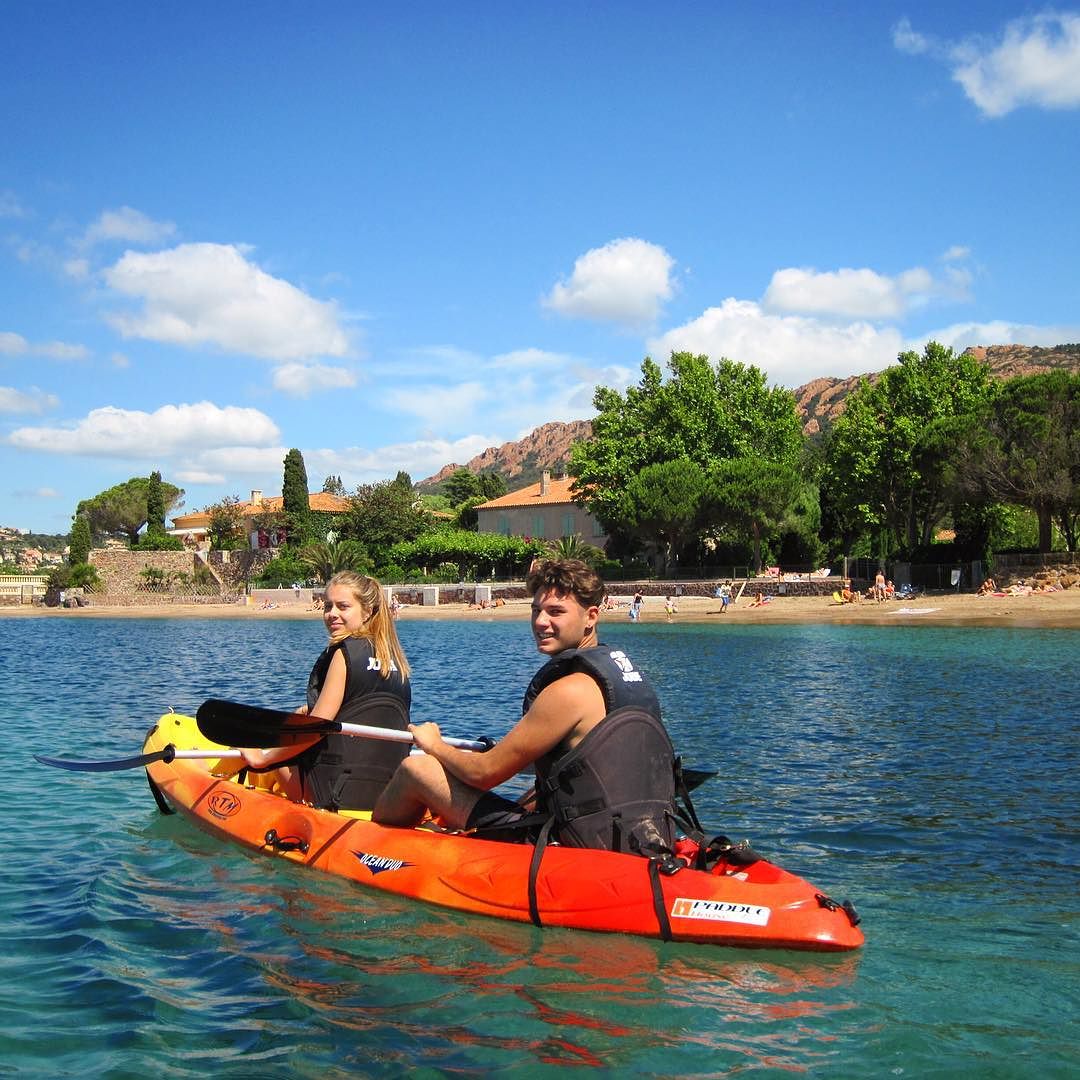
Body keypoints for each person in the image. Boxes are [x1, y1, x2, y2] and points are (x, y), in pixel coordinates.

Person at [373, 559, 681, 860]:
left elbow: (485, 774)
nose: (540, 622)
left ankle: (370, 849)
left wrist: (434, 745)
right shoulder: (629, 679)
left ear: (591, 616)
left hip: (577, 849)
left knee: (417, 769)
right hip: (639, 838)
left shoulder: (570, 690)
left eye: (556, 612)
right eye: (536, 611)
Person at [239, 571, 412, 811]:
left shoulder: (344, 654)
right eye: (328, 605)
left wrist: (264, 758)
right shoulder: (396, 662)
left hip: (336, 794)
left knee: (275, 738)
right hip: (387, 793)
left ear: (368, 611)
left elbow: (317, 727)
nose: (332, 614)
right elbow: (364, 709)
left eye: (343, 606)